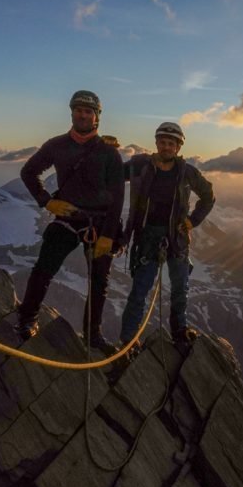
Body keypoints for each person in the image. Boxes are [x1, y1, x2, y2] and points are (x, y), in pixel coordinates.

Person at [15, 90, 125, 350]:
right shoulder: (56, 145)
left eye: (89, 111)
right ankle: (27, 318)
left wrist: (108, 235)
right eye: (79, 110)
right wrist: (46, 201)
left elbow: (118, 196)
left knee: (99, 281)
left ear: (97, 117)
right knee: (44, 269)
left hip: (99, 223)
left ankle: (92, 334)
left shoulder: (109, 153)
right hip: (68, 216)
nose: (83, 115)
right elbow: (28, 171)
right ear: (72, 112)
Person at [118, 122, 214, 348]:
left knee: (180, 288)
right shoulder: (140, 165)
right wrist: (104, 151)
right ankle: (127, 342)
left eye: (171, 143)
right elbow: (114, 173)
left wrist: (192, 221)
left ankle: (179, 331)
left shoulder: (187, 172)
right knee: (139, 291)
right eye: (163, 142)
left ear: (178, 147)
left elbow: (208, 196)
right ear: (156, 143)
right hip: (148, 237)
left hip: (176, 238)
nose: (166, 147)